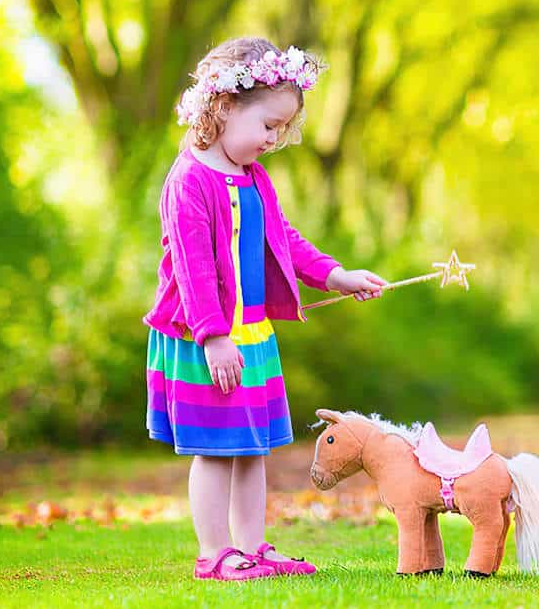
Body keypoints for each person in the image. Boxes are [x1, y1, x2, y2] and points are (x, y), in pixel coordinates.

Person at [143, 37, 387, 581]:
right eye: (268, 126)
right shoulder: (189, 181)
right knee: (213, 448)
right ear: (225, 107)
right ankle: (214, 554)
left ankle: (250, 548)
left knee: (252, 447)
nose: (274, 139)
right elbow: (192, 268)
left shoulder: (254, 177)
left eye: (282, 129)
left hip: (249, 333)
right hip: (205, 336)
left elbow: (283, 240)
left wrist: (335, 274)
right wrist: (212, 337)